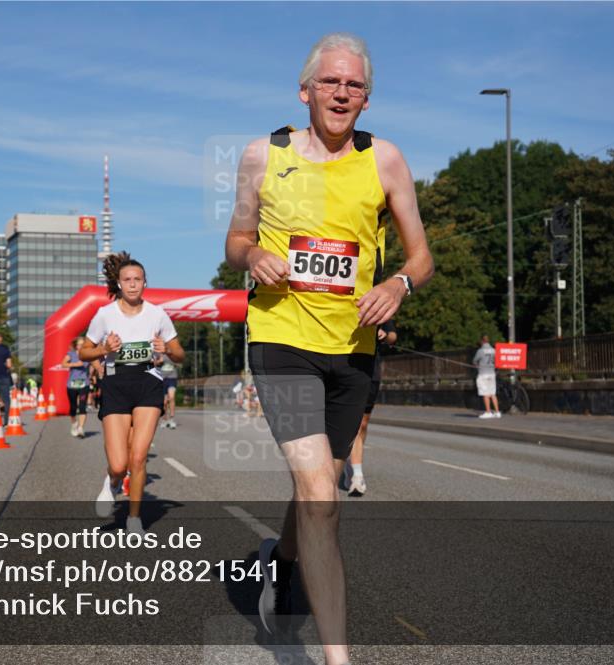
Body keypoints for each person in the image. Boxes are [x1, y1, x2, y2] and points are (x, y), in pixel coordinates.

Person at [224, 33, 433, 664]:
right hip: (282, 338)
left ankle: (281, 563)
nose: (342, 93)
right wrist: (253, 256)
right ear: (305, 91)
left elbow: (421, 257)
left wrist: (397, 285)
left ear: (367, 99)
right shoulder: (263, 154)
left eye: (354, 85)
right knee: (320, 494)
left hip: (353, 348)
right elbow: (235, 240)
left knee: (322, 488)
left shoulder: (385, 160)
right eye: (330, 82)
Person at [81, 252, 185, 536]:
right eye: (127, 279)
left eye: (137, 279)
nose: (132, 284)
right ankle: (113, 481)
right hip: (116, 384)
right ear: (119, 283)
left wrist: (167, 349)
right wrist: (104, 349)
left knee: (138, 457)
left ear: (145, 283)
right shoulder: (105, 315)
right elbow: (84, 351)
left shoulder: (157, 314)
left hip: (148, 382)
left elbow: (180, 355)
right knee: (119, 464)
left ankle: (134, 518)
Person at [343, 320, 397, 496]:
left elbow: (392, 336)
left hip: (370, 368)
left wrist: (385, 335)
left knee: (363, 423)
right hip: (343, 365)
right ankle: (354, 472)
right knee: (350, 422)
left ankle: (352, 467)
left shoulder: (377, 308)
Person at [62, 336, 92, 438]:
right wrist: (75, 364)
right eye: (79, 344)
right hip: (71, 384)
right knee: (73, 407)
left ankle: (81, 428)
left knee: (82, 406)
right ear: (76, 345)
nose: (81, 346)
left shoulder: (87, 354)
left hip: (84, 384)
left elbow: (92, 365)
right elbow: (63, 364)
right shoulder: (71, 354)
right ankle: (74, 423)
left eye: (83, 344)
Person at [473, 334, 501, 418]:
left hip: (483, 374)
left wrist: (477, 367)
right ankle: (497, 412)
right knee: (492, 393)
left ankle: (488, 412)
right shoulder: (494, 350)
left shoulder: (480, 351)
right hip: (491, 373)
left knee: (485, 393)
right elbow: (497, 362)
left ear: (482, 341)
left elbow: (474, 361)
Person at [155, 354, 179, 428]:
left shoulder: (173, 353)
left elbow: (178, 363)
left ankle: (171, 419)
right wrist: (159, 361)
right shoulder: (159, 353)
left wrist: (172, 360)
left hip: (172, 378)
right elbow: (155, 364)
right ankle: (164, 419)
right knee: (164, 402)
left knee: (171, 397)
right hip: (162, 379)